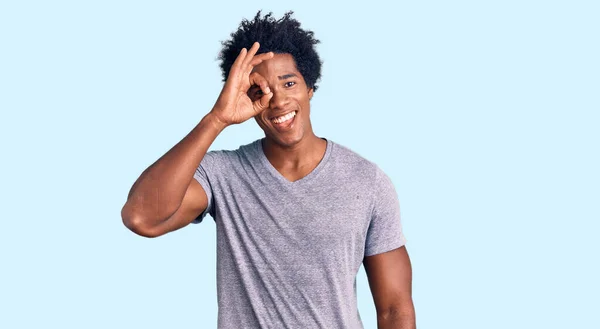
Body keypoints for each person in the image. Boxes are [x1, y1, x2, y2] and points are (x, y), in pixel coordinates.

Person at [121, 11, 416, 329]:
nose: (277, 100)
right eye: (260, 90)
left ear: (310, 88)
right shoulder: (222, 175)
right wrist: (217, 119)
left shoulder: (367, 181)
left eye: (289, 83)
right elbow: (142, 217)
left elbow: (394, 308)